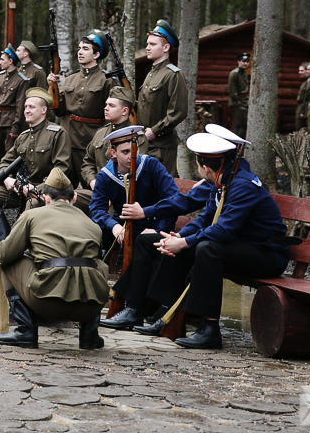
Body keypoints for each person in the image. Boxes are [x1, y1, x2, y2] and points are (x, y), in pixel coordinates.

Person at [101, 131, 288, 349]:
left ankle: (209, 330)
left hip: (266, 255)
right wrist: (179, 236)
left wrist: (185, 243)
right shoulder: (224, 181)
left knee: (207, 249)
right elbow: (205, 219)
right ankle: (146, 311)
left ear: (205, 168)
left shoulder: (242, 185)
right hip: (240, 247)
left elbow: (223, 230)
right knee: (149, 241)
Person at [0, 167, 110, 350]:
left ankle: (26, 331)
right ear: (74, 198)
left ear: (46, 199)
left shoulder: (32, 215)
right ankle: (89, 334)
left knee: (11, 259)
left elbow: (5, 253)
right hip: (89, 306)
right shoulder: (92, 224)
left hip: (46, 302)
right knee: (98, 264)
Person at [0, 88, 69, 241]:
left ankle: (20, 247)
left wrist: (37, 189)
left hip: (48, 191)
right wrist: (8, 180)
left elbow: (62, 168)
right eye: (26, 107)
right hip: (23, 188)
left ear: (44, 110)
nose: (26, 110)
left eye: (31, 107)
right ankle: (5, 240)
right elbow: (5, 162)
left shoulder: (57, 133)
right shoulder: (23, 137)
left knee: (32, 204)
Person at [88, 126, 181, 252]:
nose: (131, 156)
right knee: (92, 238)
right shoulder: (105, 176)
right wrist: (113, 226)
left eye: (134, 150)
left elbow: (173, 199)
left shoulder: (151, 165)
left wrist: (157, 229)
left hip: (153, 224)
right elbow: (97, 209)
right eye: (125, 152)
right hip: (122, 226)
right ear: (113, 153)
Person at [50, 30, 114, 194]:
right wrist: (52, 87)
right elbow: (59, 110)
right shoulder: (71, 78)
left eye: (85, 48)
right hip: (66, 141)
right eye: (79, 48)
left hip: (89, 142)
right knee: (58, 187)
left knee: (91, 188)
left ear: (96, 54)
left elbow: (111, 115)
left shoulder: (106, 80)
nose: (80, 52)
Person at [137, 19, 188, 176]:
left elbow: (178, 111)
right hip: (145, 143)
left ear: (166, 47)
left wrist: (155, 130)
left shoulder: (173, 75)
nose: (147, 48)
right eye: (147, 44)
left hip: (162, 146)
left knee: (164, 189)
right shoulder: (151, 73)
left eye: (153, 44)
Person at [78, 86, 136, 207]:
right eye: (106, 105)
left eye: (111, 105)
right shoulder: (100, 133)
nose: (106, 108)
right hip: (99, 190)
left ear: (125, 111)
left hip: (124, 196)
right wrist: (94, 183)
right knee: (69, 199)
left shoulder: (136, 136)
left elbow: (137, 171)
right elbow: (87, 163)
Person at [0, 45, 24, 159]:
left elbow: (20, 106)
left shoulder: (21, 80)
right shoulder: (0, 77)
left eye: (2, 59)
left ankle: (10, 176)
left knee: (10, 153)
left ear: (11, 61)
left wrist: (16, 127)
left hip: (10, 121)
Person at [227, 52, 251, 139]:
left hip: (244, 101)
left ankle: (235, 145)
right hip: (238, 103)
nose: (245, 63)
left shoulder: (244, 73)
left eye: (247, 61)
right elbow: (232, 90)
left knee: (239, 125)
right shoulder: (234, 73)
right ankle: (238, 145)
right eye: (243, 61)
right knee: (243, 125)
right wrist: (237, 101)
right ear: (238, 62)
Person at [295, 61, 310, 130]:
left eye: (302, 70)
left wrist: (303, 112)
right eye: (299, 70)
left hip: (305, 110)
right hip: (301, 109)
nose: (299, 72)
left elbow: (307, 99)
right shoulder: (305, 82)